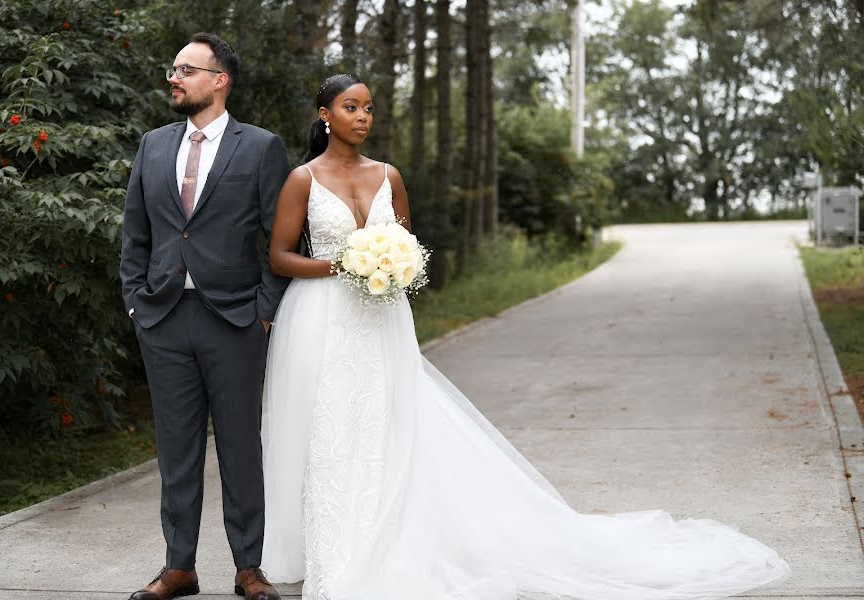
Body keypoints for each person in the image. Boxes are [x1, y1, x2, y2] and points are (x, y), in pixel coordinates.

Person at [261, 73, 791, 600]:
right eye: (351, 107)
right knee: (333, 429)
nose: (363, 117)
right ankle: (336, 547)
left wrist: (390, 266)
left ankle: (390, 538)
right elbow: (280, 256)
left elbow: (404, 245)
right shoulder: (303, 180)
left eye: (370, 108)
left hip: (382, 316)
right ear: (325, 114)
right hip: (323, 317)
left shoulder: (389, 175)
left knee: (391, 425)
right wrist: (344, 265)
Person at [119, 33, 288, 600]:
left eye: (187, 70)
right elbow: (136, 234)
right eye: (173, 69)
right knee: (176, 448)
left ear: (220, 80)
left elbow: (282, 238)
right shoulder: (152, 145)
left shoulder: (260, 147)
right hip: (164, 318)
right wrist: (138, 303)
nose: (174, 77)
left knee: (241, 446)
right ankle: (178, 567)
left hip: (235, 319)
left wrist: (264, 310)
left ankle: (249, 568)